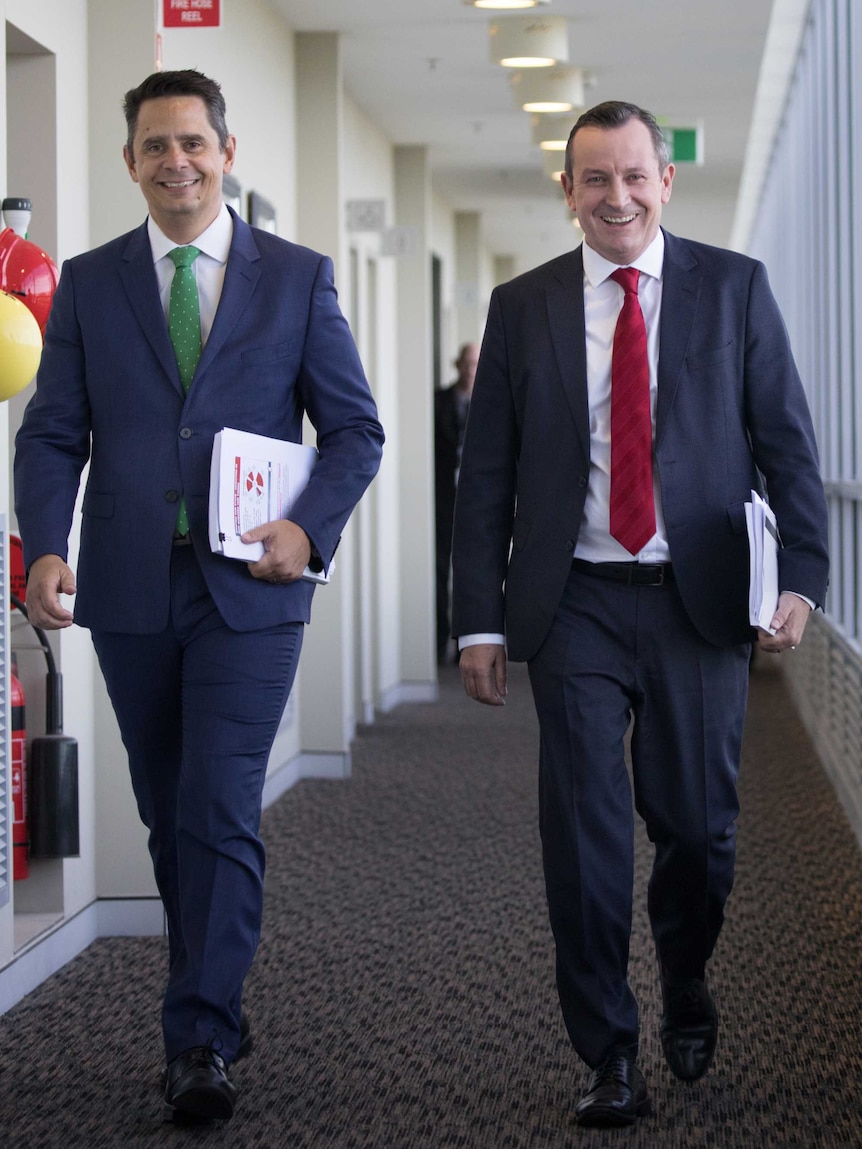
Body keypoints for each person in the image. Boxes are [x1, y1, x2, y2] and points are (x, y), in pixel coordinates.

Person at [14, 69, 384, 1125]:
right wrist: (45, 545)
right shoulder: (89, 283)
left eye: (193, 141)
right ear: (131, 161)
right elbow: (52, 433)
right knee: (169, 811)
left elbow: (354, 431)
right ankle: (206, 995)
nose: (176, 160)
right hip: (128, 588)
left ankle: (200, 1038)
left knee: (219, 802)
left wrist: (308, 528)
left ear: (227, 150)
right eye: (154, 145)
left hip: (251, 591)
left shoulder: (297, 278)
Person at [451, 101, 828, 1128]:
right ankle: (608, 1051)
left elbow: (786, 444)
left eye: (631, 176)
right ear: (564, 190)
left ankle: (687, 978)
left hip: (693, 600)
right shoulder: (523, 305)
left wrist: (800, 575)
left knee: (698, 832)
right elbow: (483, 477)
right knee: (583, 835)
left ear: (665, 180)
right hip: (570, 598)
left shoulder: (733, 290)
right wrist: (475, 620)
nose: (613, 196)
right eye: (591, 179)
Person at [434, 342, 478, 663]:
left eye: (476, 364)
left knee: (473, 573)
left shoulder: (494, 401)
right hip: (443, 500)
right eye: (466, 363)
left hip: (478, 503)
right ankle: (439, 644)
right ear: (457, 365)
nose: (470, 370)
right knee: (439, 570)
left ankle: (472, 643)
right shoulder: (439, 401)